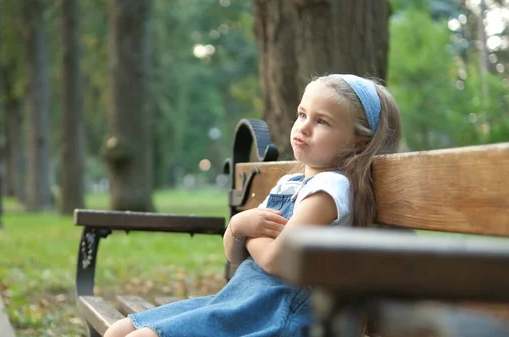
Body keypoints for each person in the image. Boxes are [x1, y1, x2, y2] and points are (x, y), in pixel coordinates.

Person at [104, 74, 402, 337]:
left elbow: (275, 261)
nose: (304, 127)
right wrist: (237, 227)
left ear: (360, 142)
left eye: (322, 121)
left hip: (275, 314)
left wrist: (248, 232)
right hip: (239, 301)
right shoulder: (292, 183)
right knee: (118, 330)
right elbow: (234, 255)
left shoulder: (331, 189)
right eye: (301, 114)